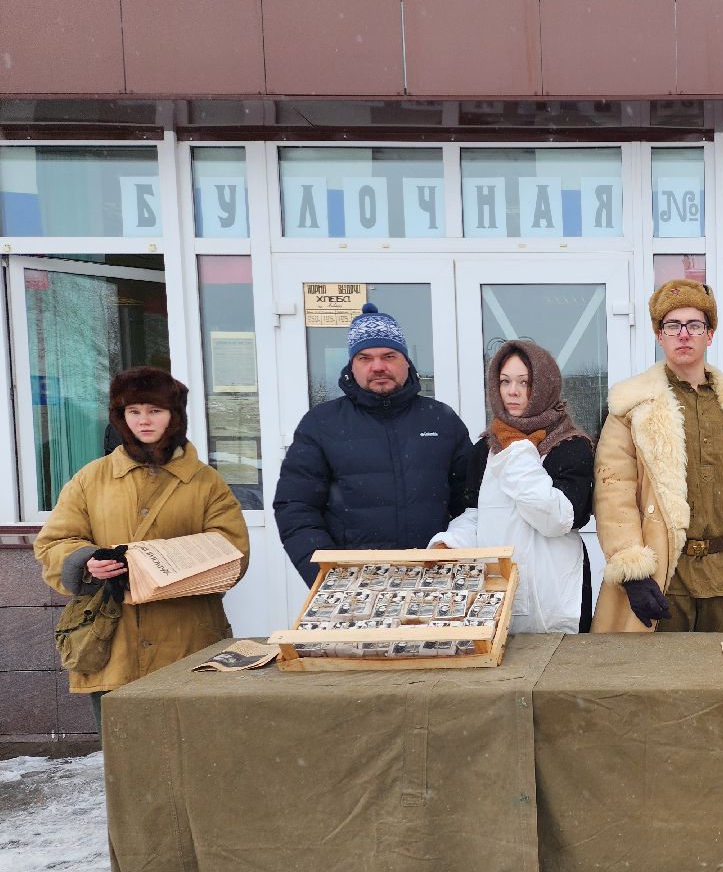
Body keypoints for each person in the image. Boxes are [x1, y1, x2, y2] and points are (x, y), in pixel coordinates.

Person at [34, 367, 249, 733]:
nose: (144, 421)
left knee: (191, 750)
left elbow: (234, 550)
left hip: (188, 639)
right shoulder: (90, 478)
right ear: (121, 417)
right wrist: (87, 562)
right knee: (124, 753)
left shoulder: (206, 482)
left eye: (155, 411)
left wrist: (167, 567)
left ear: (173, 416)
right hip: (112, 642)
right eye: (133, 411)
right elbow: (54, 542)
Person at [592, 279, 723, 633]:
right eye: (672, 325)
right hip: (665, 581)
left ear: (710, 334)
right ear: (659, 335)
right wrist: (632, 568)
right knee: (657, 670)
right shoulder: (632, 408)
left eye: (694, 325)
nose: (683, 334)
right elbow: (614, 491)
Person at [274, 303, 471, 587]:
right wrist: (329, 578)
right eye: (365, 357)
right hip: (353, 587)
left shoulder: (442, 420)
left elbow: (470, 508)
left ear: (406, 361)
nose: (378, 366)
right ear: (352, 365)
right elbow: (296, 508)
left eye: (389, 356)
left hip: (434, 583)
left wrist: (454, 561)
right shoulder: (321, 424)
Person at [431, 339, 594, 633]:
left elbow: (556, 519)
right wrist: (452, 543)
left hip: (554, 595)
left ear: (544, 386)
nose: (512, 391)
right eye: (505, 381)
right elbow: (477, 515)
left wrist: (516, 450)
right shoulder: (485, 448)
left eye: (524, 382)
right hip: (497, 591)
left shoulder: (570, 445)